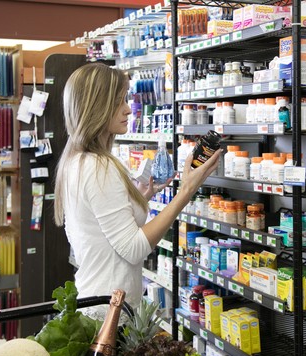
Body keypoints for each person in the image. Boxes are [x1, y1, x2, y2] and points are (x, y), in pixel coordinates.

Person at [54, 63, 221, 320]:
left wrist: (142, 197)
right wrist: (186, 190)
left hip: (96, 299)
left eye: (126, 99)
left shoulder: (77, 160)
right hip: (109, 310)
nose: (127, 109)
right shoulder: (100, 166)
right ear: (96, 107)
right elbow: (133, 248)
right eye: (118, 101)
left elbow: (101, 228)